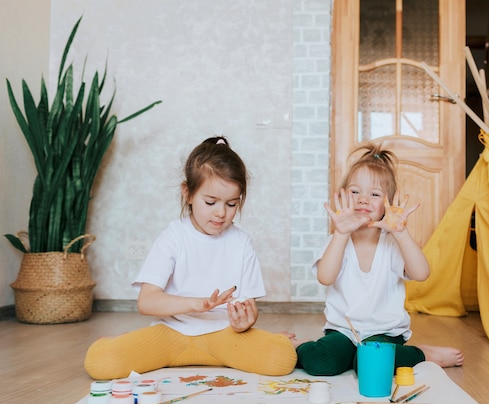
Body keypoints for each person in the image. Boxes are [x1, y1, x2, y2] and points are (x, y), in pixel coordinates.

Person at [84, 136, 297, 380]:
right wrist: (198, 304)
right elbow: (147, 302)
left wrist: (245, 324)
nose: (220, 213)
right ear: (188, 193)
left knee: (282, 358)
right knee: (100, 362)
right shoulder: (172, 237)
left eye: (231, 204)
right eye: (210, 202)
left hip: (224, 335)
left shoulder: (242, 243)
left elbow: (249, 309)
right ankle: (121, 343)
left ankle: (256, 344)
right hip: (172, 333)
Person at [295, 143, 464, 376]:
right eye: (355, 192)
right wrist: (341, 234)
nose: (363, 199)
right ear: (343, 196)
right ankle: (300, 345)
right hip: (343, 331)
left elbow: (421, 273)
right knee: (320, 362)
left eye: (374, 194)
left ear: (388, 204)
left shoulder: (391, 243)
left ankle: (422, 354)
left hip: (384, 332)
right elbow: (325, 277)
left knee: (370, 365)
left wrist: (401, 232)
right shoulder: (337, 240)